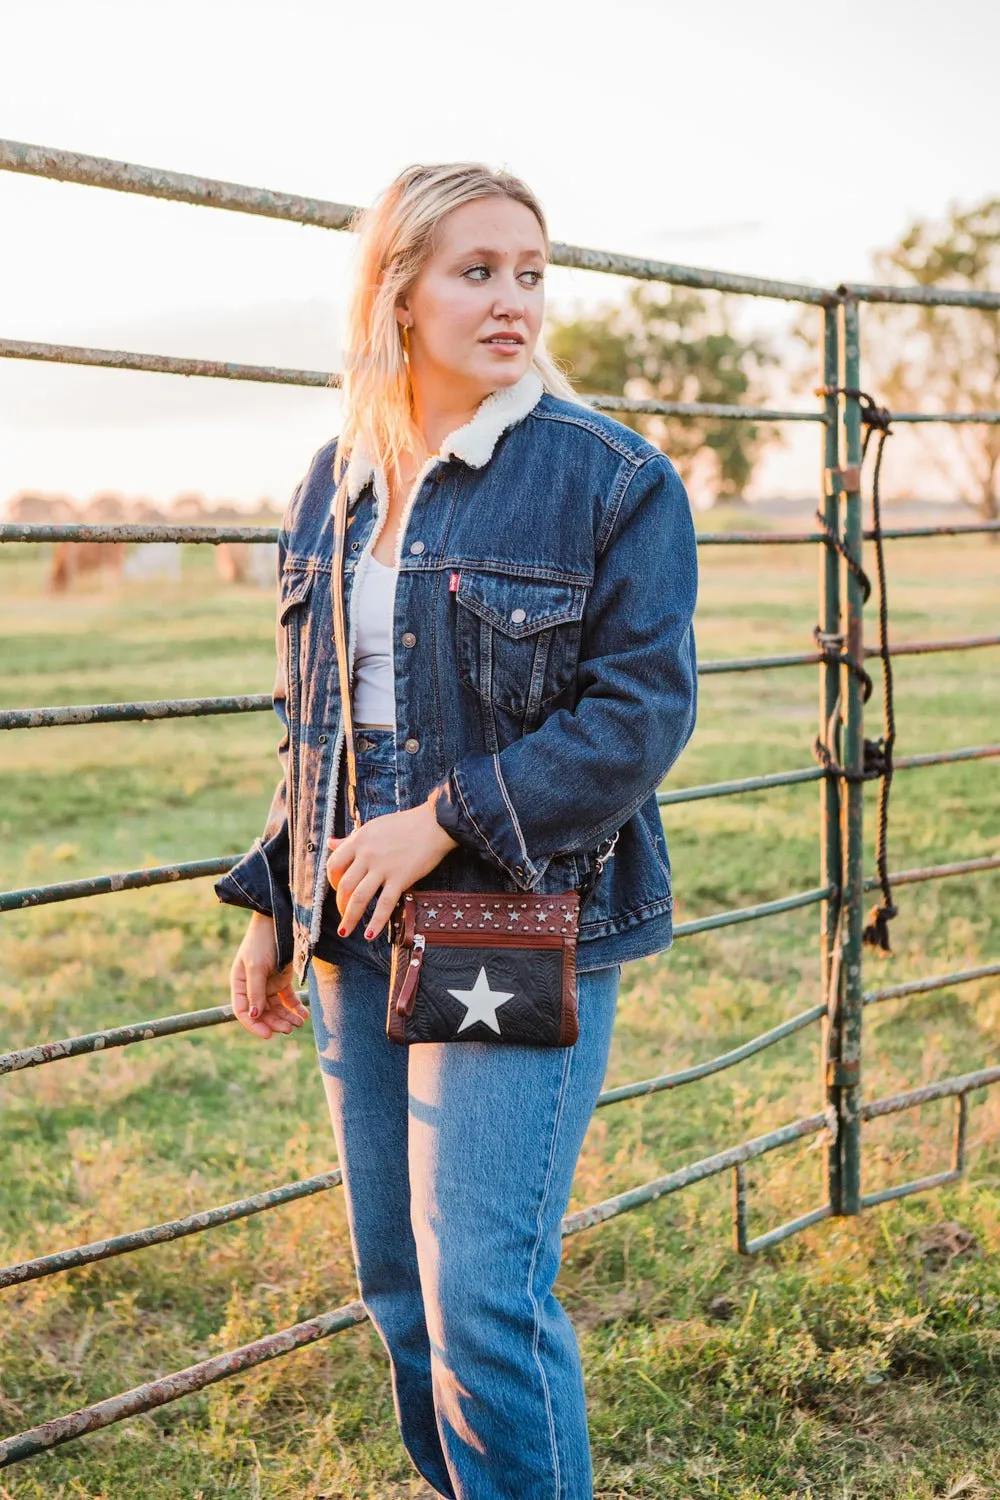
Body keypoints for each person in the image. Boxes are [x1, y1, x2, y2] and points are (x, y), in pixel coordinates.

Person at [215, 161, 698, 1500]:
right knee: (401, 1293)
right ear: (398, 292)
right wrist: (277, 902)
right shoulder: (336, 480)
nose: (513, 303)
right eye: (477, 272)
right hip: (350, 924)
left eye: (531, 273)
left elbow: (638, 719)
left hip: (515, 917)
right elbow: (313, 718)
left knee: (482, 1292)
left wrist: (441, 821)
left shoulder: (611, 482)